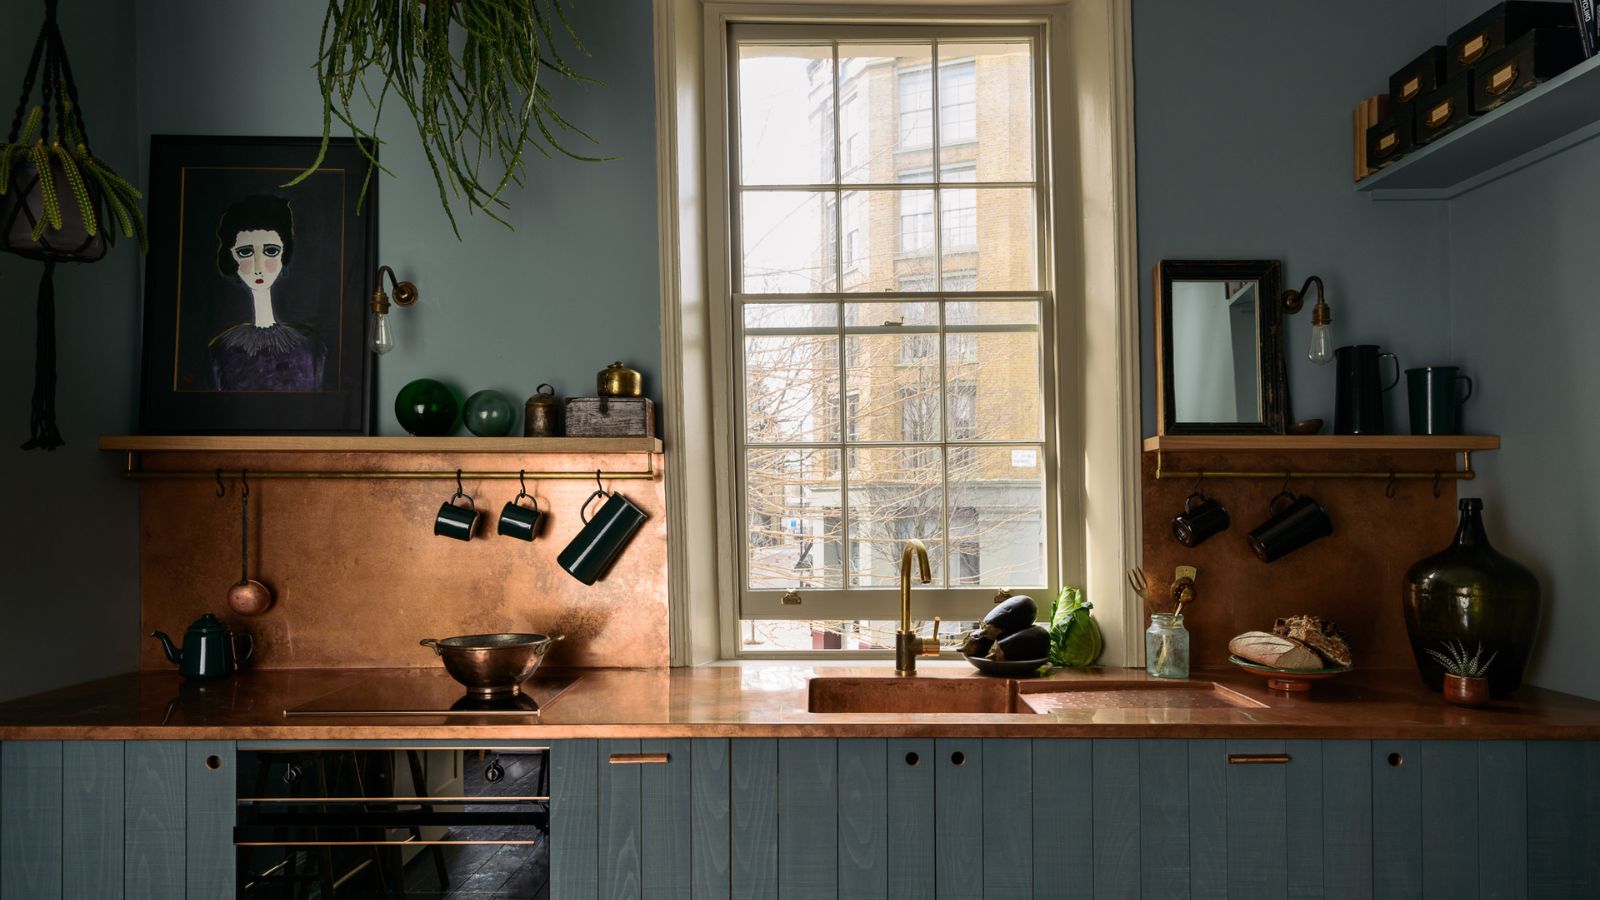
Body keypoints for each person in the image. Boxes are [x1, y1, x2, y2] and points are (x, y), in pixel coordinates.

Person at [208, 194, 326, 391]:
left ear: (284, 255)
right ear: (232, 258)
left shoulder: (311, 346)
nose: (258, 266)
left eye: (270, 251)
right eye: (245, 252)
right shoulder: (221, 350)